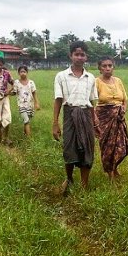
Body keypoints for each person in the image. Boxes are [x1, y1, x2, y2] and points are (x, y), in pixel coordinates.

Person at [52, 40, 98, 194]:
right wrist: (55, 123)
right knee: (69, 148)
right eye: (76, 54)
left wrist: (95, 119)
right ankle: (69, 178)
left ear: (86, 57)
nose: (79, 57)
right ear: (70, 56)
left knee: (87, 148)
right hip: (69, 114)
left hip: (86, 114)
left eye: (82, 54)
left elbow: (91, 100)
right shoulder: (61, 76)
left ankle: (84, 185)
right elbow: (58, 99)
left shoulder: (90, 77)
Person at [94, 57, 128, 182]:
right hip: (104, 117)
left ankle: (115, 167)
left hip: (119, 117)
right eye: (104, 66)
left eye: (110, 65)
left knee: (123, 145)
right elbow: (92, 102)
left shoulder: (118, 81)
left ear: (113, 67)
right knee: (107, 146)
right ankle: (110, 172)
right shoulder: (96, 82)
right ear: (99, 68)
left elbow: (125, 99)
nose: (107, 68)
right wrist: (94, 121)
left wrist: (123, 110)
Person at [12, 65, 39, 137]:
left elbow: (34, 93)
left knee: (27, 121)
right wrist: (8, 93)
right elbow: (14, 92)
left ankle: (24, 134)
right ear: (18, 73)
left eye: (24, 71)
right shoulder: (16, 82)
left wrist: (37, 103)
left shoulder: (31, 82)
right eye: (21, 72)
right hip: (21, 105)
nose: (22, 73)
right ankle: (29, 138)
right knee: (26, 120)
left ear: (27, 72)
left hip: (30, 105)